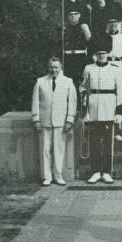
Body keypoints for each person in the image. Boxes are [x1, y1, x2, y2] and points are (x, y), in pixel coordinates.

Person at [81, 36, 122, 184]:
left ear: (108, 53)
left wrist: (119, 111)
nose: (101, 56)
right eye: (99, 53)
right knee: (93, 141)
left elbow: (120, 91)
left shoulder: (116, 69)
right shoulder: (89, 68)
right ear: (95, 54)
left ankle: (106, 171)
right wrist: (84, 108)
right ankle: (94, 171)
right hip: (93, 107)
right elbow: (84, 87)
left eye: (104, 53)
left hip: (109, 107)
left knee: (107, 142)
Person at [31, 57, 78, 186]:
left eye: (56, 67)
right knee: (45, 149)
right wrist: (36, 119)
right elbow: (35, 102)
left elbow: (72, 103)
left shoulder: (68, 82)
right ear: (48, 68)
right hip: (45, 121)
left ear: (60, 68)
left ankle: (58, 175)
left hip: (61, 122)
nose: (54, 70)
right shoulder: (40, 81)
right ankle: (47, 176)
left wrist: (69, 120)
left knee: (59, 149)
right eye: (51, 67)